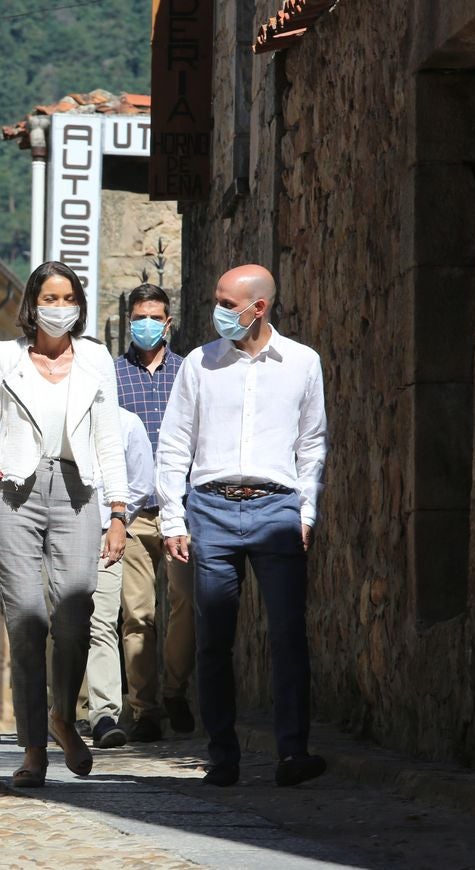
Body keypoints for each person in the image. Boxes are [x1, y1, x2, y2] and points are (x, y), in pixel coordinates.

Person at [156, 264, 328, 788]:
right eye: (216, 300)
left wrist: (305, 511)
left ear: (259, 308)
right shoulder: (199, 365)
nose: (217, 311)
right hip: (211, 508)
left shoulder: (302, 363)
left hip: (276, 508)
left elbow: (312, 441)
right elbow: (174, 442)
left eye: (227, 303)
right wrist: (172, 516)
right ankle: (222, 755)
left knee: (288, 634)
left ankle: (292, 753)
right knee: (213, 637)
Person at [0, 260, 127, 788]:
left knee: (76, 613)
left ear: (79, 305)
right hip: (15, 493)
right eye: (49, 299)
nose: (59, 309)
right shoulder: (8, 356)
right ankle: (34, 747)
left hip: (79, 493)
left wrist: (119, 513)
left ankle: (63, 715)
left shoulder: (97, 359)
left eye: (67, 299)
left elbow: (109, 440)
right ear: (32, 304)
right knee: (28, 620)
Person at [114, 283, 197, 742]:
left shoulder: (190, 373)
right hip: (133, 512)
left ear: (169, 322)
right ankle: (144, 707)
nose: (147, 324)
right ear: (130, 321)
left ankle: (175, 690)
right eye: (139, 316)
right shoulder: (111, 377)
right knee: (137, 614)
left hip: (180, 511)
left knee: (185, 604)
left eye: (156, 317)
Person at [83, 401, 154, 748]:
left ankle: (104, 714)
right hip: (57, 532)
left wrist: (118, 522)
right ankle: (60, 709)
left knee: (103, 622)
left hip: (104, 533)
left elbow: (140, 481)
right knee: (55, 623)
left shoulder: (126, 424)